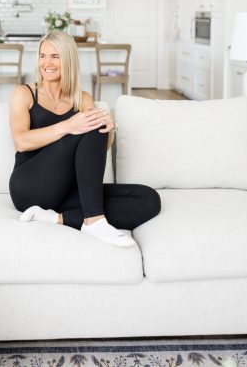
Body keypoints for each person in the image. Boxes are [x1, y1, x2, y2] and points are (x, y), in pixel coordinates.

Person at [9, 30, 161, 248]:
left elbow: (99, 148)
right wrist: (68, 125)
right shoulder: (24, 93)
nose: (46, 63)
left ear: (68, 60)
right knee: (90, 122)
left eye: (55, 56)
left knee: (148, 200)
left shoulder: (82, 99)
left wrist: (109, 129)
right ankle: (93, 220)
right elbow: (20, 141)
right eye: (43, 56)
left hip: (67, 191)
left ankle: (59, 218)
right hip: (29, 187)